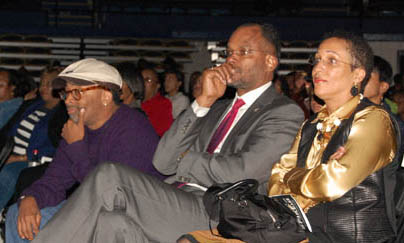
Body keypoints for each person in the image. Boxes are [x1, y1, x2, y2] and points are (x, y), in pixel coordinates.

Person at [22, 23, 304, 243]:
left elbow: (245, 172)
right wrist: (202, 103)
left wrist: (187, 159)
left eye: (243, 51)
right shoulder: (215, 109)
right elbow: (163, 160)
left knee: (109, 175)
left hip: (219, 213)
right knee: (112, 224)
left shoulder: (283, 112)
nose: (232, 59)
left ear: (270, 62)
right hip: (177, 200)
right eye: (229, 51)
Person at [182, 31, 400, 243]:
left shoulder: (374, 120)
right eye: (316, 60)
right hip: (296, 232)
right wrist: (312, 174)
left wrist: (294, 176)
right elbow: (276, 180)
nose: (318, 68)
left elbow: (331, 183)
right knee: (191, 239)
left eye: (331, 61)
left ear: (358, 75)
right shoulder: (312, 124)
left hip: (343, 237)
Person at [6, 58, 164, 242]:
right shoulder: (78, 128)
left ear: (105, 96)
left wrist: (76, 146)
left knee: (50, 225)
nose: (68, 100)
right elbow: (54, 180)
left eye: (77, 93)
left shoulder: (133, 129)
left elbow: (112, 199)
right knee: (18, 213)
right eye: (66, 93)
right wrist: (30, 197)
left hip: (133, 221)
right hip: (95, 211)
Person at [0, 66, 67, 211]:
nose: (43, 87)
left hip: (31, 161)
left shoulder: (62, 114)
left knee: (6, 175)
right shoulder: (33, 105)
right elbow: (8, 129)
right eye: (42, 83)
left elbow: (54, 149)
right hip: (9, 154)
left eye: (49, 84)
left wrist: (17, 158)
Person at [141, 67, 174, 136]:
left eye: (148, 80)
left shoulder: (163, 104)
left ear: (157, 85)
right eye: (141, 80)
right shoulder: (133, 101)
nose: (143, 84)